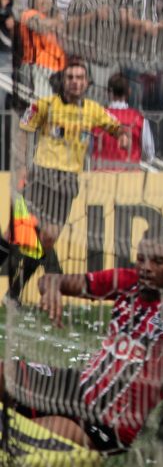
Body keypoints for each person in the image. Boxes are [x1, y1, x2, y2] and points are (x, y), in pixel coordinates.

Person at [1, 230, 163, 467]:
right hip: (76, 387)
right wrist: (52, 289)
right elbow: (51, 280)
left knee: (19, 437)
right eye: (141, 258)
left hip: (110, 424)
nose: (146, 267)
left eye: (158, 261)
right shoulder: (126, 282)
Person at [7, 59, 131, 302]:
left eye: (79, 78)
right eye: (70, 77)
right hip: (41, 176)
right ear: (63, 81)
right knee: (19, 236)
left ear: (87, 83)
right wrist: (22, 165)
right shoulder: (46, 105)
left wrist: (123, 137)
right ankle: (45, 280)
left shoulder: (93, 110)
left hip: (67, 183)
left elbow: (117, 128)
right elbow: (23, 129)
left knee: (46, 240)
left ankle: (13, 294)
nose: (75, 82)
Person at [92, 72, 154, 169]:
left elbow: (88, 148)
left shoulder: (97, 117)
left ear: (108, 92)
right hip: (129, 176)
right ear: (129, 91)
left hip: (102, 177)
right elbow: (149, 153)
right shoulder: (139, 119)